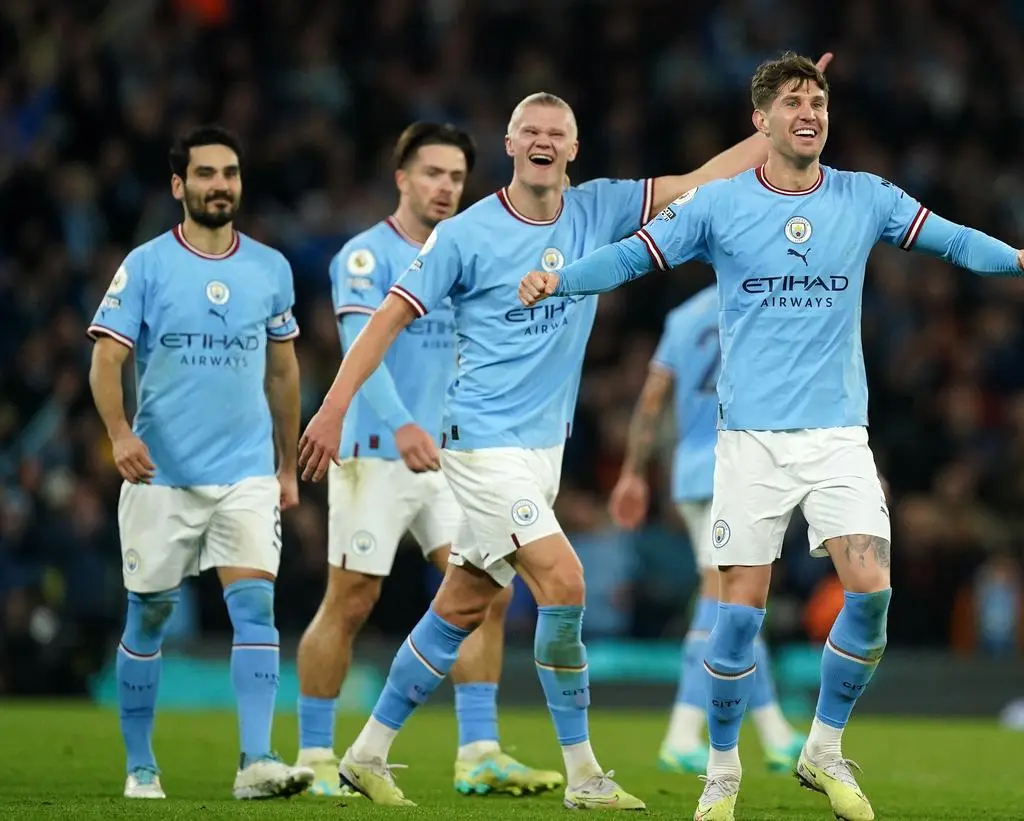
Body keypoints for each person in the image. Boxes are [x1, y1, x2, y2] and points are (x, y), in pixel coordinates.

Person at [518, 52, 1024, 821]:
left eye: (819, 101)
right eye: (794, 101)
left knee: (872, 594)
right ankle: (722, 770)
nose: (810, 112)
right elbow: (631, 257)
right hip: (752, 443)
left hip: (839, 435)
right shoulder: (720, 205)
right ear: (761, 121)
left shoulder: (862, 196)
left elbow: (946, 238)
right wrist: (559, 276)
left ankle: (823, 747)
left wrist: (1015, 257)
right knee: (738, 612)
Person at [297, 57, 832, 809]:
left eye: (559, 132)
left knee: (461, 602)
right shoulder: (466, 233)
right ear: (512, 144)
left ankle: (366, 751)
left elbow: (700, 178)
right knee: (565, 581)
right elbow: (386, 316)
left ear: (573, 150)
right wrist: (331, 406)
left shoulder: (598, 209)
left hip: (541, 447)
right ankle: (584, 773)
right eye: (532, 130)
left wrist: (777, 119)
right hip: (480, 442)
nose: (545, 140)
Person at [294, 122, 562, 798]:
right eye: (432, 173)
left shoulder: (468, 251)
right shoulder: (365, 256)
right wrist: (403, 423)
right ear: (402, 179)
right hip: (377, 452)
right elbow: (363, 343)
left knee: (485, 593)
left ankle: (477, 750)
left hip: (454, 456)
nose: (444, 186)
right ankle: (316, 754)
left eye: (454, 176)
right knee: (352, 599)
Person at [86, 125, 314, 800]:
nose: (222, 185)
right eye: (207, 173)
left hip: (244, 474)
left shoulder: (271, 267)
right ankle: (139, 765)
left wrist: (284, 466)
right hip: (161, 474)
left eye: (232, 173)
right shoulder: (148, 264)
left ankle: (256, 762)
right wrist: (120, 433)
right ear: (179, 185)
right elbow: (106, 356)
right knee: (149, 618)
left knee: (256, 611)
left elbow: (283, 370)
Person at [609, 284, 802, 774]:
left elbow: (652, 402)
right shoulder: (763, 306)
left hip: (691, 471)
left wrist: (633, 472)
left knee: (738, 601)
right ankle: (681, 733)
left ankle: (776, 732)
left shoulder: (681, 317)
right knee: (723, 599)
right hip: (736, 465)